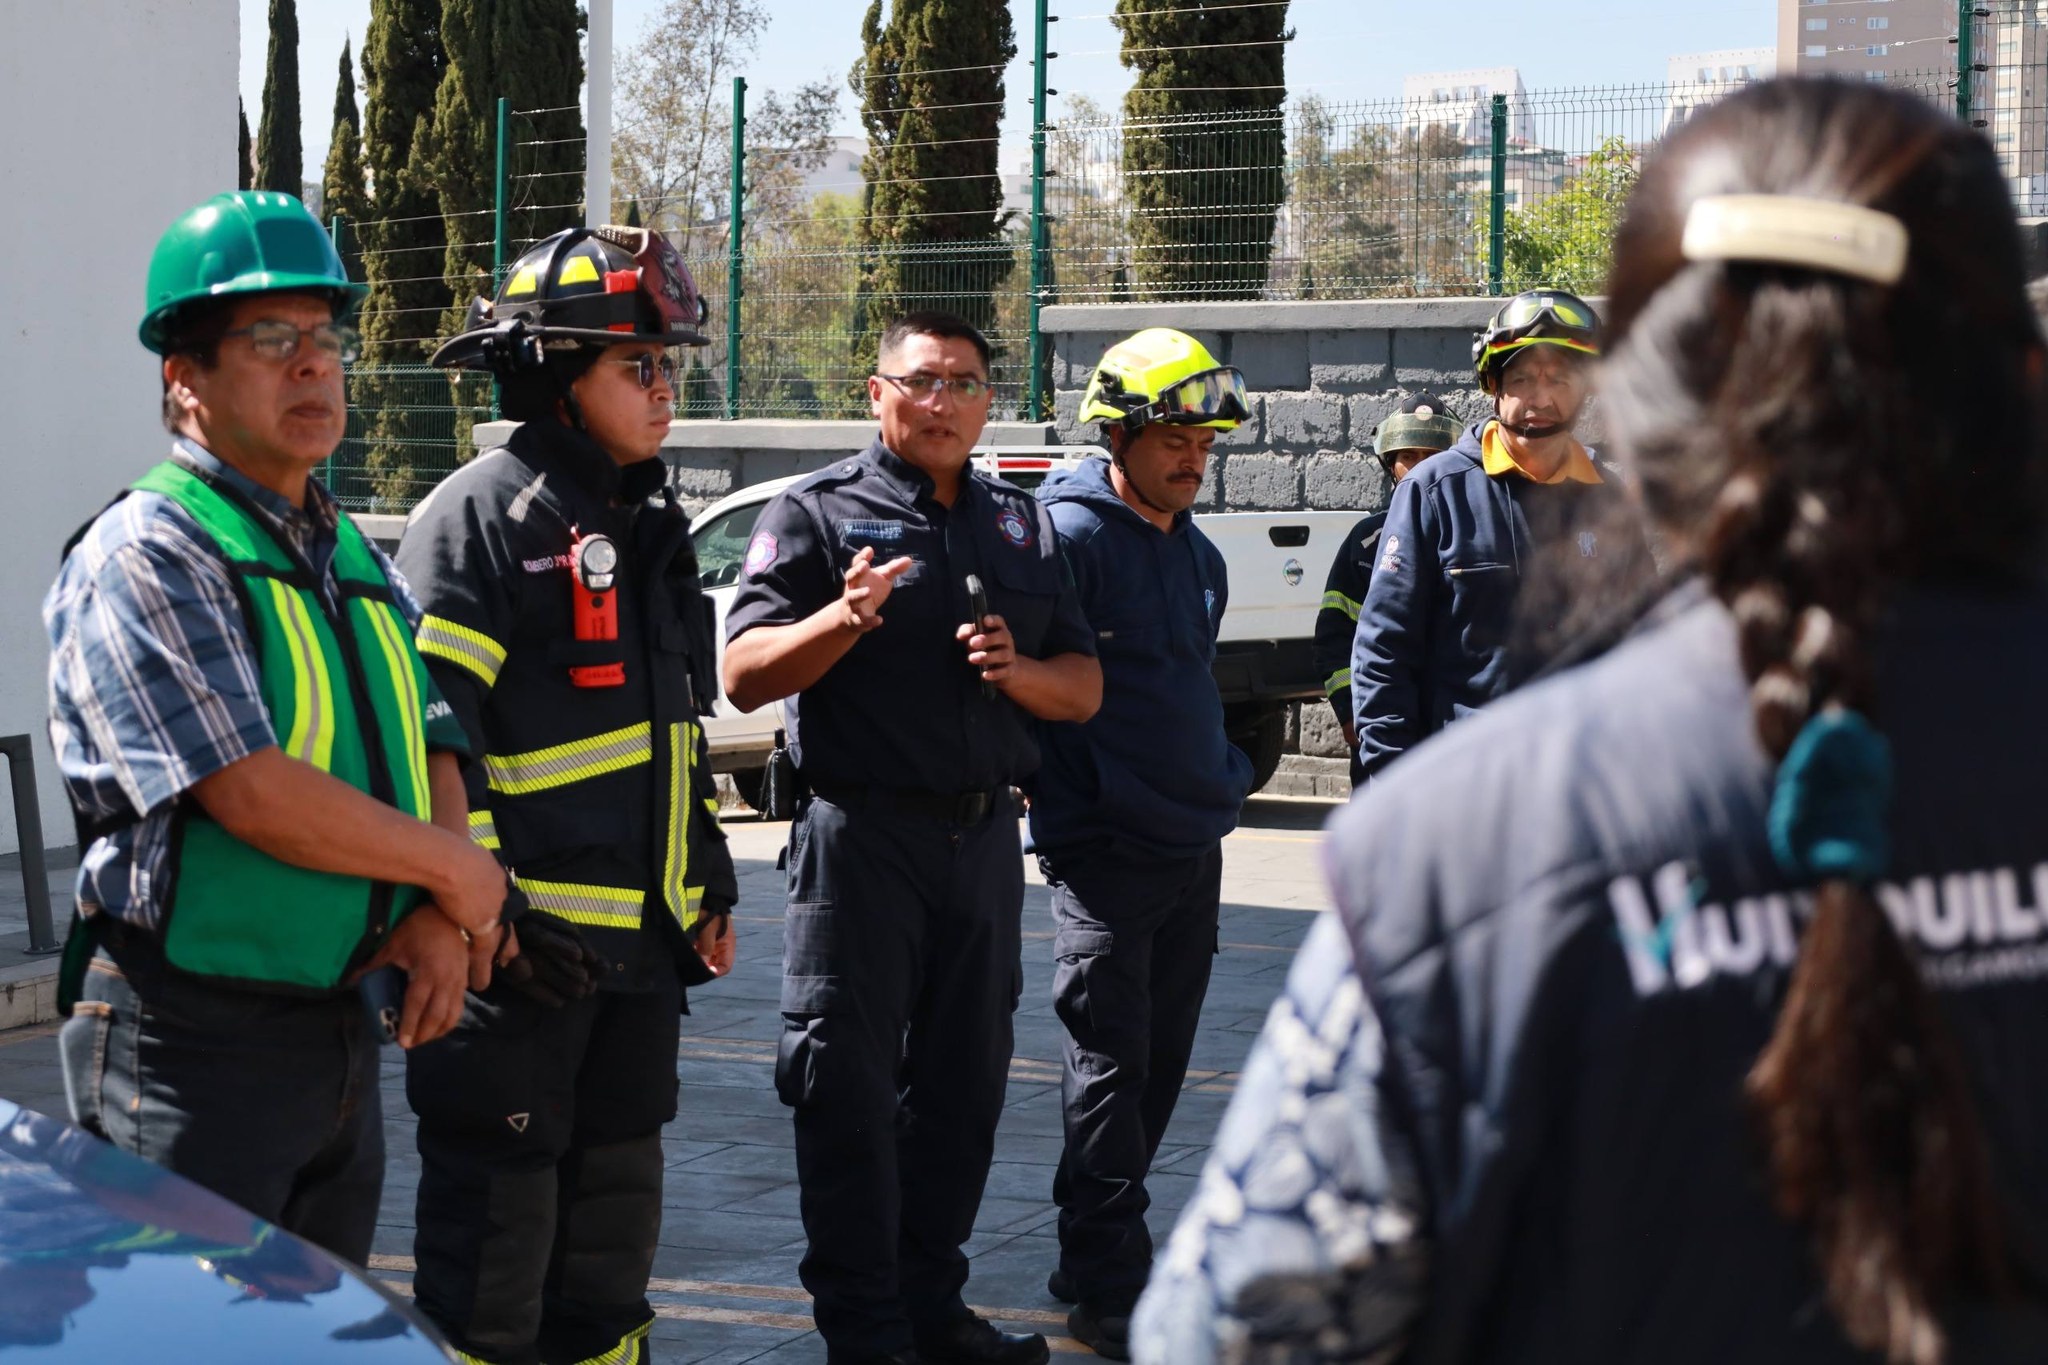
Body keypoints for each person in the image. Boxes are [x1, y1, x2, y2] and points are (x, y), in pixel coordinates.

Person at [1134, 77, 2048, 1364]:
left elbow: (1239, 1329)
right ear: (2022, 382)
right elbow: (1383, 660)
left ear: (1648, 411)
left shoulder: (1454, 861)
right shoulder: (1439, 525)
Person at [44, 190, 512, 1267]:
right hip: (186, 1041)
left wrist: (440, 907)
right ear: (185, 378)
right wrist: (459, 871)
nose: (312, 366)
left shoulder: (350, 551)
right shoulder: (150, 552)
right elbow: (248, 790)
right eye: (268, 341)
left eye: (324, 339)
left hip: (334, 1027)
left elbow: (424, 728)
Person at [723, 311, 1103, 1365]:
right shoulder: (814, 515)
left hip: (983, 847)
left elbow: (1081, 685)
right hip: (860, 843)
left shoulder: (1020, 525)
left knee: (962, 1087)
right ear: (876, 392)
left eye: (966, 384)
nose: (943, 402)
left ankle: (932, 1307)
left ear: (988, 402)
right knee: (842, 1085)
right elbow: (744, 674)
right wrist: (841, 621)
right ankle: (866, 1328)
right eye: (922, 381)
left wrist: (1016, 675)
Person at [394, 224, 740, 1365]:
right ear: (552, 373)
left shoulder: (642, 524)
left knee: (609, 1246)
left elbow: (666, 730)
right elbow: (436, 737)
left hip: (632, 965)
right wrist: (493, 913)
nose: (664, 390)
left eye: (669, 366)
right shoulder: (481, 517)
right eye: (637, 366)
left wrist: (706, 874)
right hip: (514, 966)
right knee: (498, 1252)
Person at [1027, 328, 1257, 1359]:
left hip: (1190, 846)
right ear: (1116, 432)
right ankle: (1111, 1278)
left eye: (1203, 438)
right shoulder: (1062, 541)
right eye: (1171, 434)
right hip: (1103, 853)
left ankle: (1089, 1248)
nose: (1191, 455)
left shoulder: (1199, 557)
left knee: (1156, 1066)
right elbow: (1034, 692)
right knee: (1109, 1067)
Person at [1349, 288, 1654, 781]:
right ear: (1494, 386)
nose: (1542, 397)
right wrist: (1395, 784)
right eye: (1523, 378)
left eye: (1560, 378)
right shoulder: (1434, 493)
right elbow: (1384, 652)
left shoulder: (1609, 501)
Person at [1309, 395, 1462, 785]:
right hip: (1384, 743)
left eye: (1434, 453)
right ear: (1389, 464)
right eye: (1408, 455)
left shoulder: (1478, 535)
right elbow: (1334, 635)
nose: (1422, 466)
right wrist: (1351, 714)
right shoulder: (1366, 545)